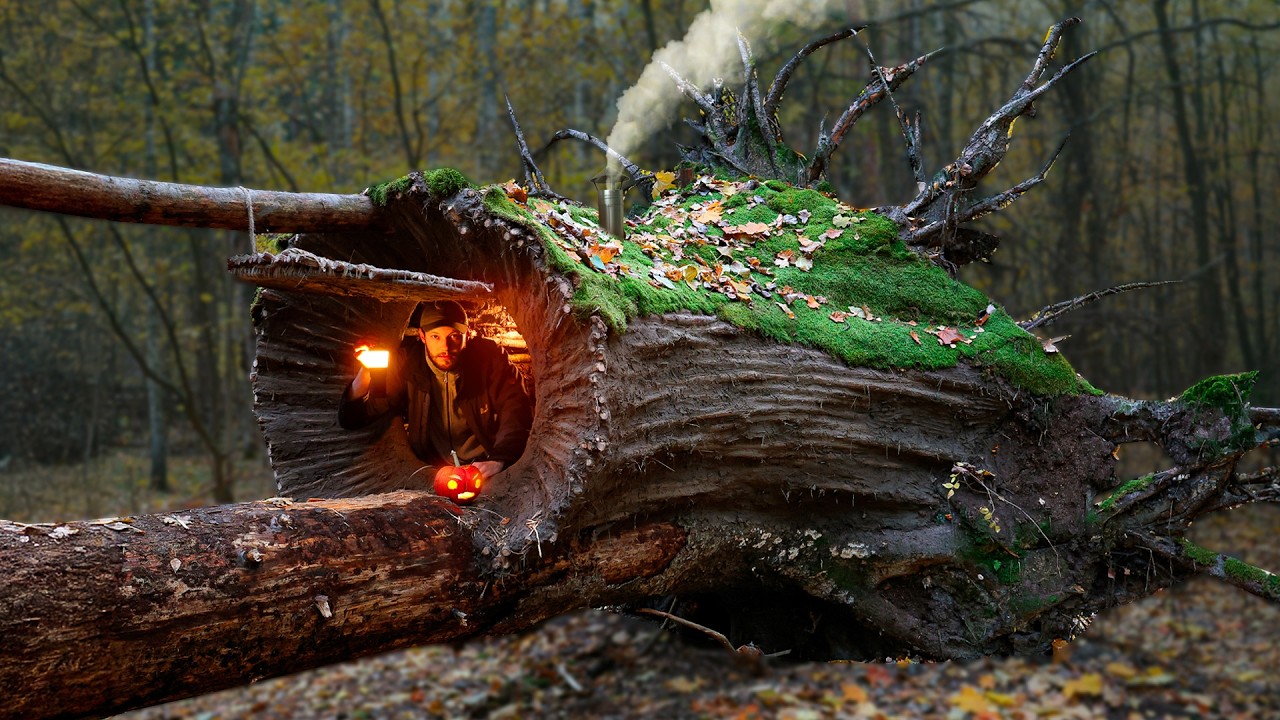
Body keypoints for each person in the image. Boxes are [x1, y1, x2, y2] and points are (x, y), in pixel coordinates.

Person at [338, 300, 532, 480]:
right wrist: (366, 368)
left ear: (468, 334)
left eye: (454, 337)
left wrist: (498, 459)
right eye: (435, 337)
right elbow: (353, 417)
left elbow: (516, 411)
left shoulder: (490, 358)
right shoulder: (408, 364)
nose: (445, 347)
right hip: (433, 468)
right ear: (422, 336)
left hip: (483, 463)